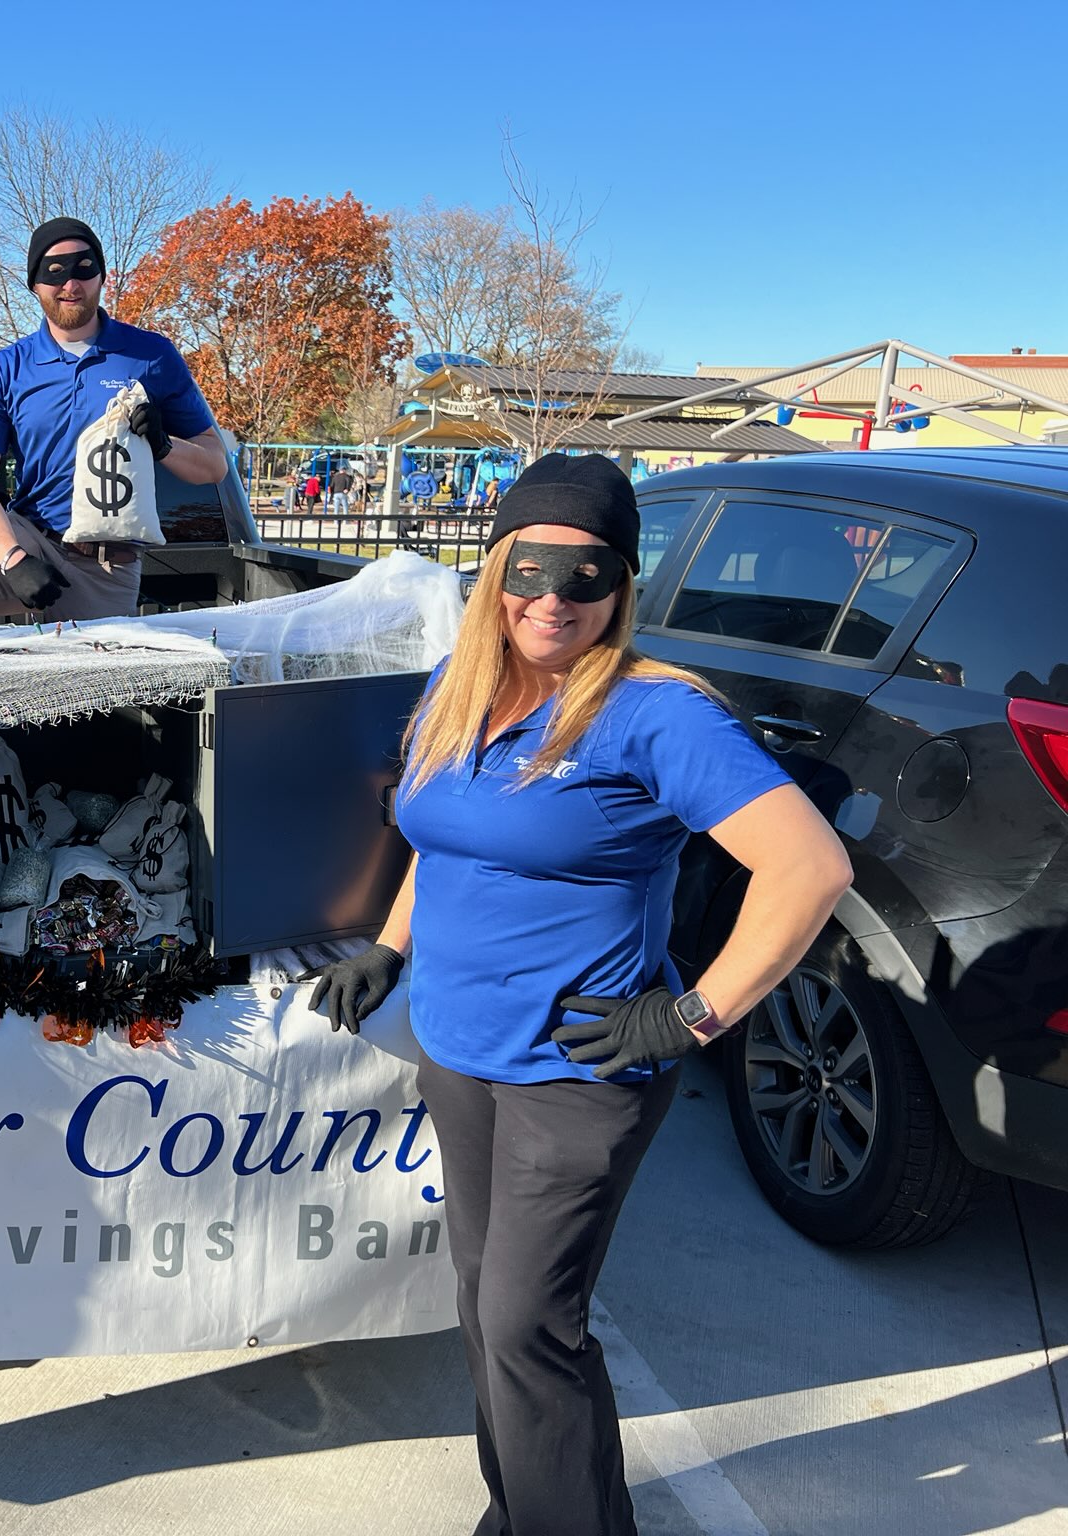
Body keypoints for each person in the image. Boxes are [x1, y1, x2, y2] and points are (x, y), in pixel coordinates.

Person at [303, 453, 851, 1536]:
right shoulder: (454, 695)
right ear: (494, 569)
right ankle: (530, 1514)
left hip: (580, 1069)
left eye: (586, 575)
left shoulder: (654, 715)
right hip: (458, 1052)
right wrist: (390, 948)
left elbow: (810, 868)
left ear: (620, 587)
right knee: (483, 1311)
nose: (552, 598)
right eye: (532, 568)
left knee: (524, 1326)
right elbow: (444, 842)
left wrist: (693, 1012)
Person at [0, 216, 229, 624]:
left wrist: (165, 444)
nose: (71, 285)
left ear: (101, 276)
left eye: (84, 269)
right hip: (29, 538)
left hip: (107, 562)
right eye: (54, 273)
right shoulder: (6, 368)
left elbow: (215, 465)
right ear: (35, 284)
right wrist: (13, 557)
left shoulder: (152, 355)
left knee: (95, 686)